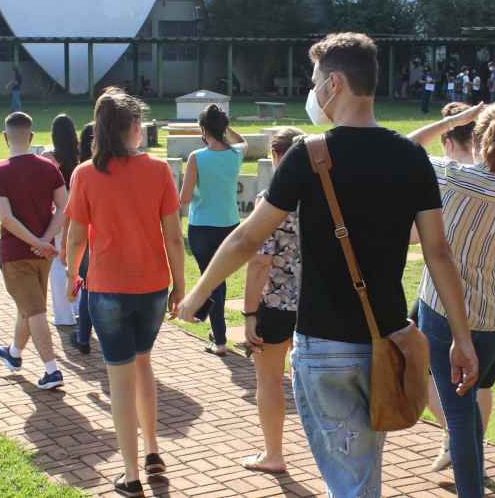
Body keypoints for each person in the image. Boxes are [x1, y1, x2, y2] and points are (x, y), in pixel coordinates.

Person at [176, 32, 479, 498]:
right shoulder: (412, 157)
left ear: (335, 83)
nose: (313, 91)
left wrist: (199, 294)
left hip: (324, 348)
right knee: (360, 478)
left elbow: (247, 236)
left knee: (353, 484)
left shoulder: (307, 154)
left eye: (316, 80)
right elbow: (439, 253)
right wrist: (461, 337)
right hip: (386, 342)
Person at [407, 102, 495, 496]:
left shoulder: (452, 177)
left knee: (460, 418)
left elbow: (402, 147)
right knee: (467, 411)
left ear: (475, 137)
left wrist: (451, 121)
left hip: (446, 313)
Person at [64, 89, 186, 497]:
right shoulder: (158, 171)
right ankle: (153, 453)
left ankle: (131, 475)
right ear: (135, 127)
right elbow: (173, 237)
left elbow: (76, 238)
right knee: (143, 366)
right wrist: (180, 286)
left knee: (119, 380)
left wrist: (69, 279)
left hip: (107, 290)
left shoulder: (84, 173)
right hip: (152, 288)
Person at [240, 127, 306, 474]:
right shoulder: (323, 196)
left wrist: (249, 313)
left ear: (277, 156)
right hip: (317, 302)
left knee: (268, 380)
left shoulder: (271, 199)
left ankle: (273, 454)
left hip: (277, 303)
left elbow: (259, 262)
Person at [0, 112, 68, 391]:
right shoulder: (49, 168)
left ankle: (52, 371)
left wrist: (37, 241)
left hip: (15, 254)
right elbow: (64, 207)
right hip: (43, 255)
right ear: (32, 137)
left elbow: (6, 219)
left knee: (34, 310)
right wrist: (45, 240)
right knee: (29, 306)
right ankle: (13, 353)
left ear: (5, 136)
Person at [179, 104, 247, 356]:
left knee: (212, 281)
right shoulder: (236, 152)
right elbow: (243, 141)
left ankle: (219, 340)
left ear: (204, 129)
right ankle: (216, 330)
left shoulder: (197, 157)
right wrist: (225, 128)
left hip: (202, 228)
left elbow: (184, 199)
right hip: (229, 226)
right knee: (219, 278)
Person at [42, 114, 81, 326]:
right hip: (80, 213)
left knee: (58, 266)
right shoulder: (80, 153)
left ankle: (64, 315)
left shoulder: (48, 155)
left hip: (59, 212)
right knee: (77, 262)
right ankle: (76, 306)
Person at [69, 122, 95, 354]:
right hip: (97, 237)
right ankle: (85, 336)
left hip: (86, 237)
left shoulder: (82, 171)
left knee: (87, 285)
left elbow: (73, 217)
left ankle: (84, 337)